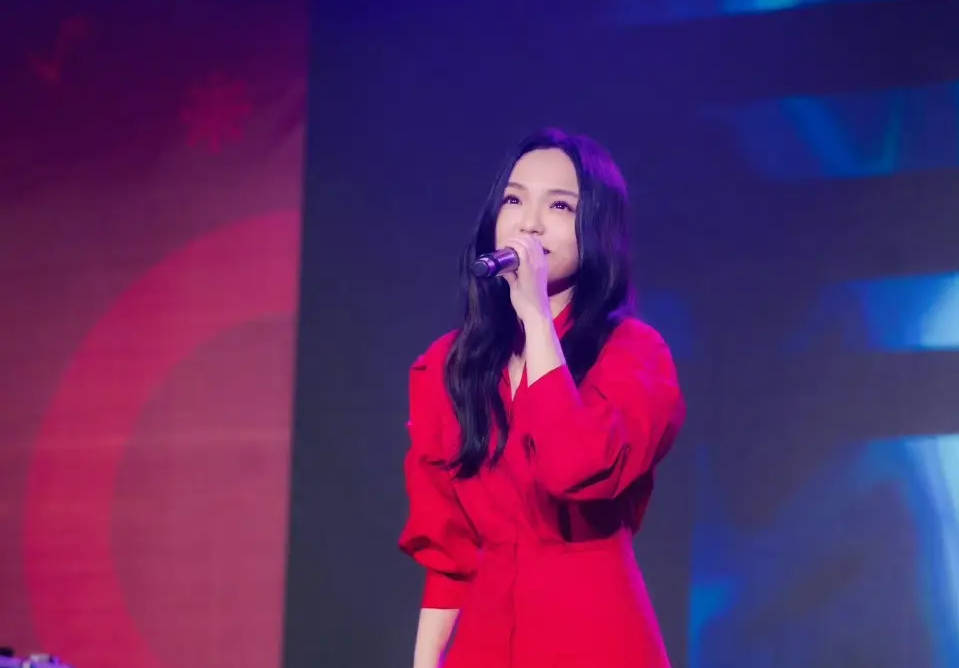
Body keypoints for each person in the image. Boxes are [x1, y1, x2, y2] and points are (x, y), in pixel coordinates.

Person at [398, 128, 686, 668]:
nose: (529, 223)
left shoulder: (633, 354)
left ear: (597, 226)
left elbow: (573, 467)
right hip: (485, 640)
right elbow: (449, 555)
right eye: (514, 200)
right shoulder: (449, 365)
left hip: (594, 634)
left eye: (559, 206)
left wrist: (535, 317)